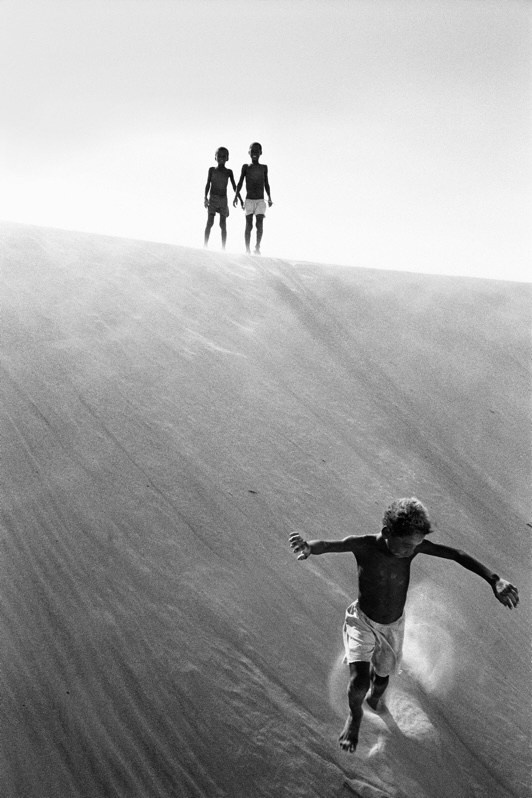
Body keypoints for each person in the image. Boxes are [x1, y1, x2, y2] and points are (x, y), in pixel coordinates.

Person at [288, 497, 519, 754]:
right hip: (362, 622)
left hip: (393, 627)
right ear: (387, 533)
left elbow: (457, 555)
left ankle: (375, 700)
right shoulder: (364, 545)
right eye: (407, 545)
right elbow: (332, 545)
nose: (411, 551)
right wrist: (308, 547)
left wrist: (494, 580)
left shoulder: (414, 548)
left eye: (415, 546)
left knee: (383, 677)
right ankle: (354, 717)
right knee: (360, 680)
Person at [233, 142, 272, 254]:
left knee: (259, 224)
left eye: (257, 151)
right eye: (252, 151)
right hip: (249, 200)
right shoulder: (245, 167)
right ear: (249, 152)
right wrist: (236, 196)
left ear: (261, 153)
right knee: (248, 225)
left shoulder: (264, 168)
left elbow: (266, 183)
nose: (254, 153)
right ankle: (247, 249)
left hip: (260, 200)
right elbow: (240, 182)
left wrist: (269, 197)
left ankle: (257, 247)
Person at [204, 147, 242, 250]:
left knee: (222, 224)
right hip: (212, 198)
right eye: (219, 156)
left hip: (223, 199)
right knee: (210, 222)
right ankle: (205, 245)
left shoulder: (229, 172)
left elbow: (234, 186)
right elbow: (208, 184)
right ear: (215, 157)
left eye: (224, 156)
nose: (221, 158)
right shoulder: (212, 170)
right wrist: (205, 198)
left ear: (227, 158)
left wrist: (238, 198)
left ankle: (223, 248)